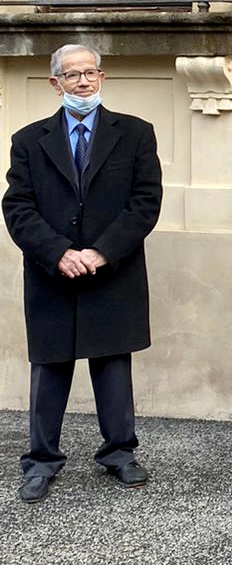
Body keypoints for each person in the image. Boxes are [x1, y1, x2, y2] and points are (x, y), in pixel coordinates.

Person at [3, 44, 163, 504]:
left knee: (113, 365)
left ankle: (119, 454)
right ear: (56, 84)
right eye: (72, 76)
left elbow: (145, 202)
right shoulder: (29, 140)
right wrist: (58, 254)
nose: (83, 82)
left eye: (90, 73)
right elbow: (18, 207)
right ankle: (41, 462)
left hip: (112, 271)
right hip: (52, 273)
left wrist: (100, 252)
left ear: (102, 77)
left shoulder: (134, 133)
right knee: (50, 369)